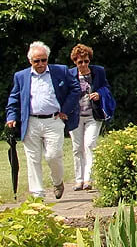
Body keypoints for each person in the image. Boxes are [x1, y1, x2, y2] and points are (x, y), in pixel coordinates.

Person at [5, 41, 81, 199]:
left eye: (43, 60)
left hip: (53, 120)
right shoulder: (21, 76)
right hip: (31, 121)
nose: (40, 64)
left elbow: (75, 88)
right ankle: (37, 194)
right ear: (30, 61)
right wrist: (12, 116)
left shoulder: (60, 71)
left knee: (53, 155)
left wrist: (65, 110)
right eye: (36, 61)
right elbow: (14, 97)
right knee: (33, 158)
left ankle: (57, 181)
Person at [67, 44, 116, 191]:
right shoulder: (70, 74)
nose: (83, 64)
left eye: (86, 61)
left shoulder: (98, 72)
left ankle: (88, 179)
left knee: (89, 144)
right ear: (75, 62)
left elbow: (106, 87)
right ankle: (78, 179)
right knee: (77, 148)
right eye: (80, 62)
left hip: (93, 115)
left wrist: (99, 94)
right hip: (75, 116)